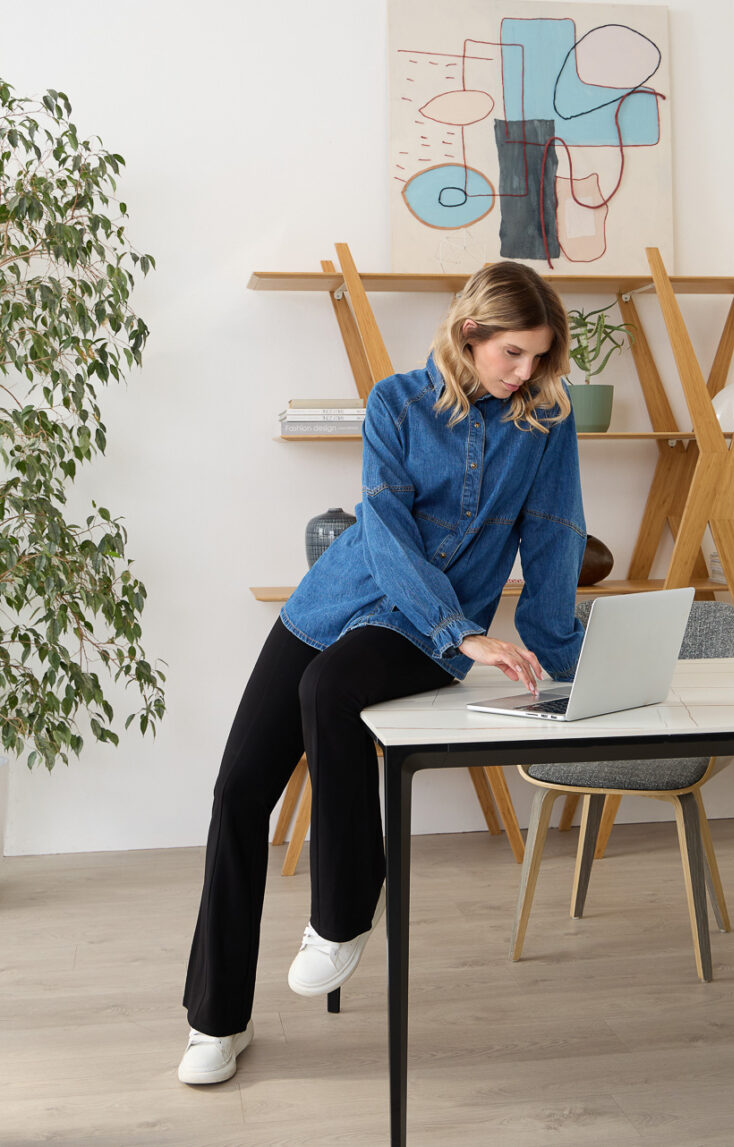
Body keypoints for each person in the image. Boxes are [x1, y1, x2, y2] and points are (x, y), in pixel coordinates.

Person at [178, 260, 587, 1085]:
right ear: (469, 336)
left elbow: (554, 535)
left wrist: (565, 664)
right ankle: (216, 1021)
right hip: (341, 604)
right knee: (236, 790)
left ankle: (343, 911)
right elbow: (389, 534)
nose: (527, 373)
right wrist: (463, 631)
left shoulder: (545, 421)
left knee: (328, 689)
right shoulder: (395, 404)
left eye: (540, 357)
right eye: (513, 354)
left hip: (421, 638)